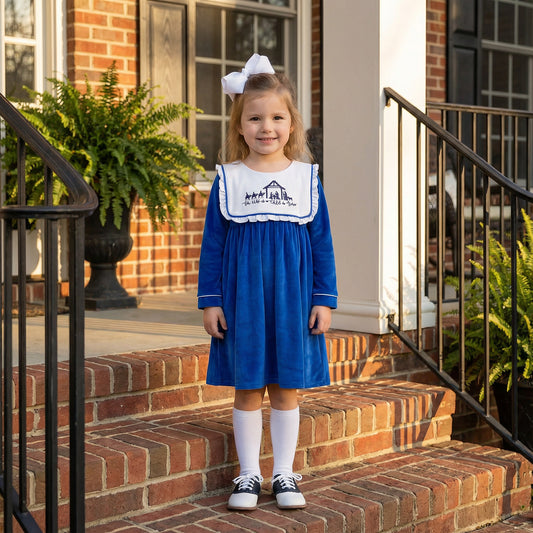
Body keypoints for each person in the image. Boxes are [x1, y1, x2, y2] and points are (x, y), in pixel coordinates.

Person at [197, 53, 337, 512]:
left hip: (293, 300)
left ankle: (283, 473)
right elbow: (213, 244)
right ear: (240, 126)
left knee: (285, 387)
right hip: (244, 301)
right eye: (255, 118)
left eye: (277, 117)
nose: (266, 127)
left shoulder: (306, 179)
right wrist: (211, 300)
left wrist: (324, 298)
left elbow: (321, 243)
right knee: (248, 385)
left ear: (292, 124)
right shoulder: (229, 180)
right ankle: (248, 475)